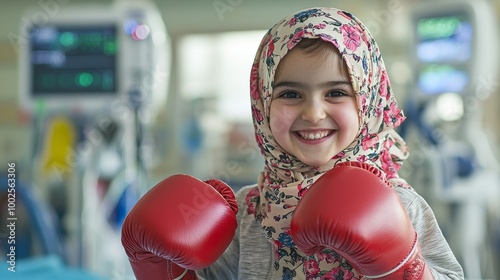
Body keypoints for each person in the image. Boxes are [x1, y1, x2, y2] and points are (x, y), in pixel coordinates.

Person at [121, 7, 464, 280]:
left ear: (368, 101)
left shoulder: (396, 202)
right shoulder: (249, 212)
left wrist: (402, 264)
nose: (313, 113)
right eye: (289, 94)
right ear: (262, 104)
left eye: (336, 93)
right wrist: (164, 271)